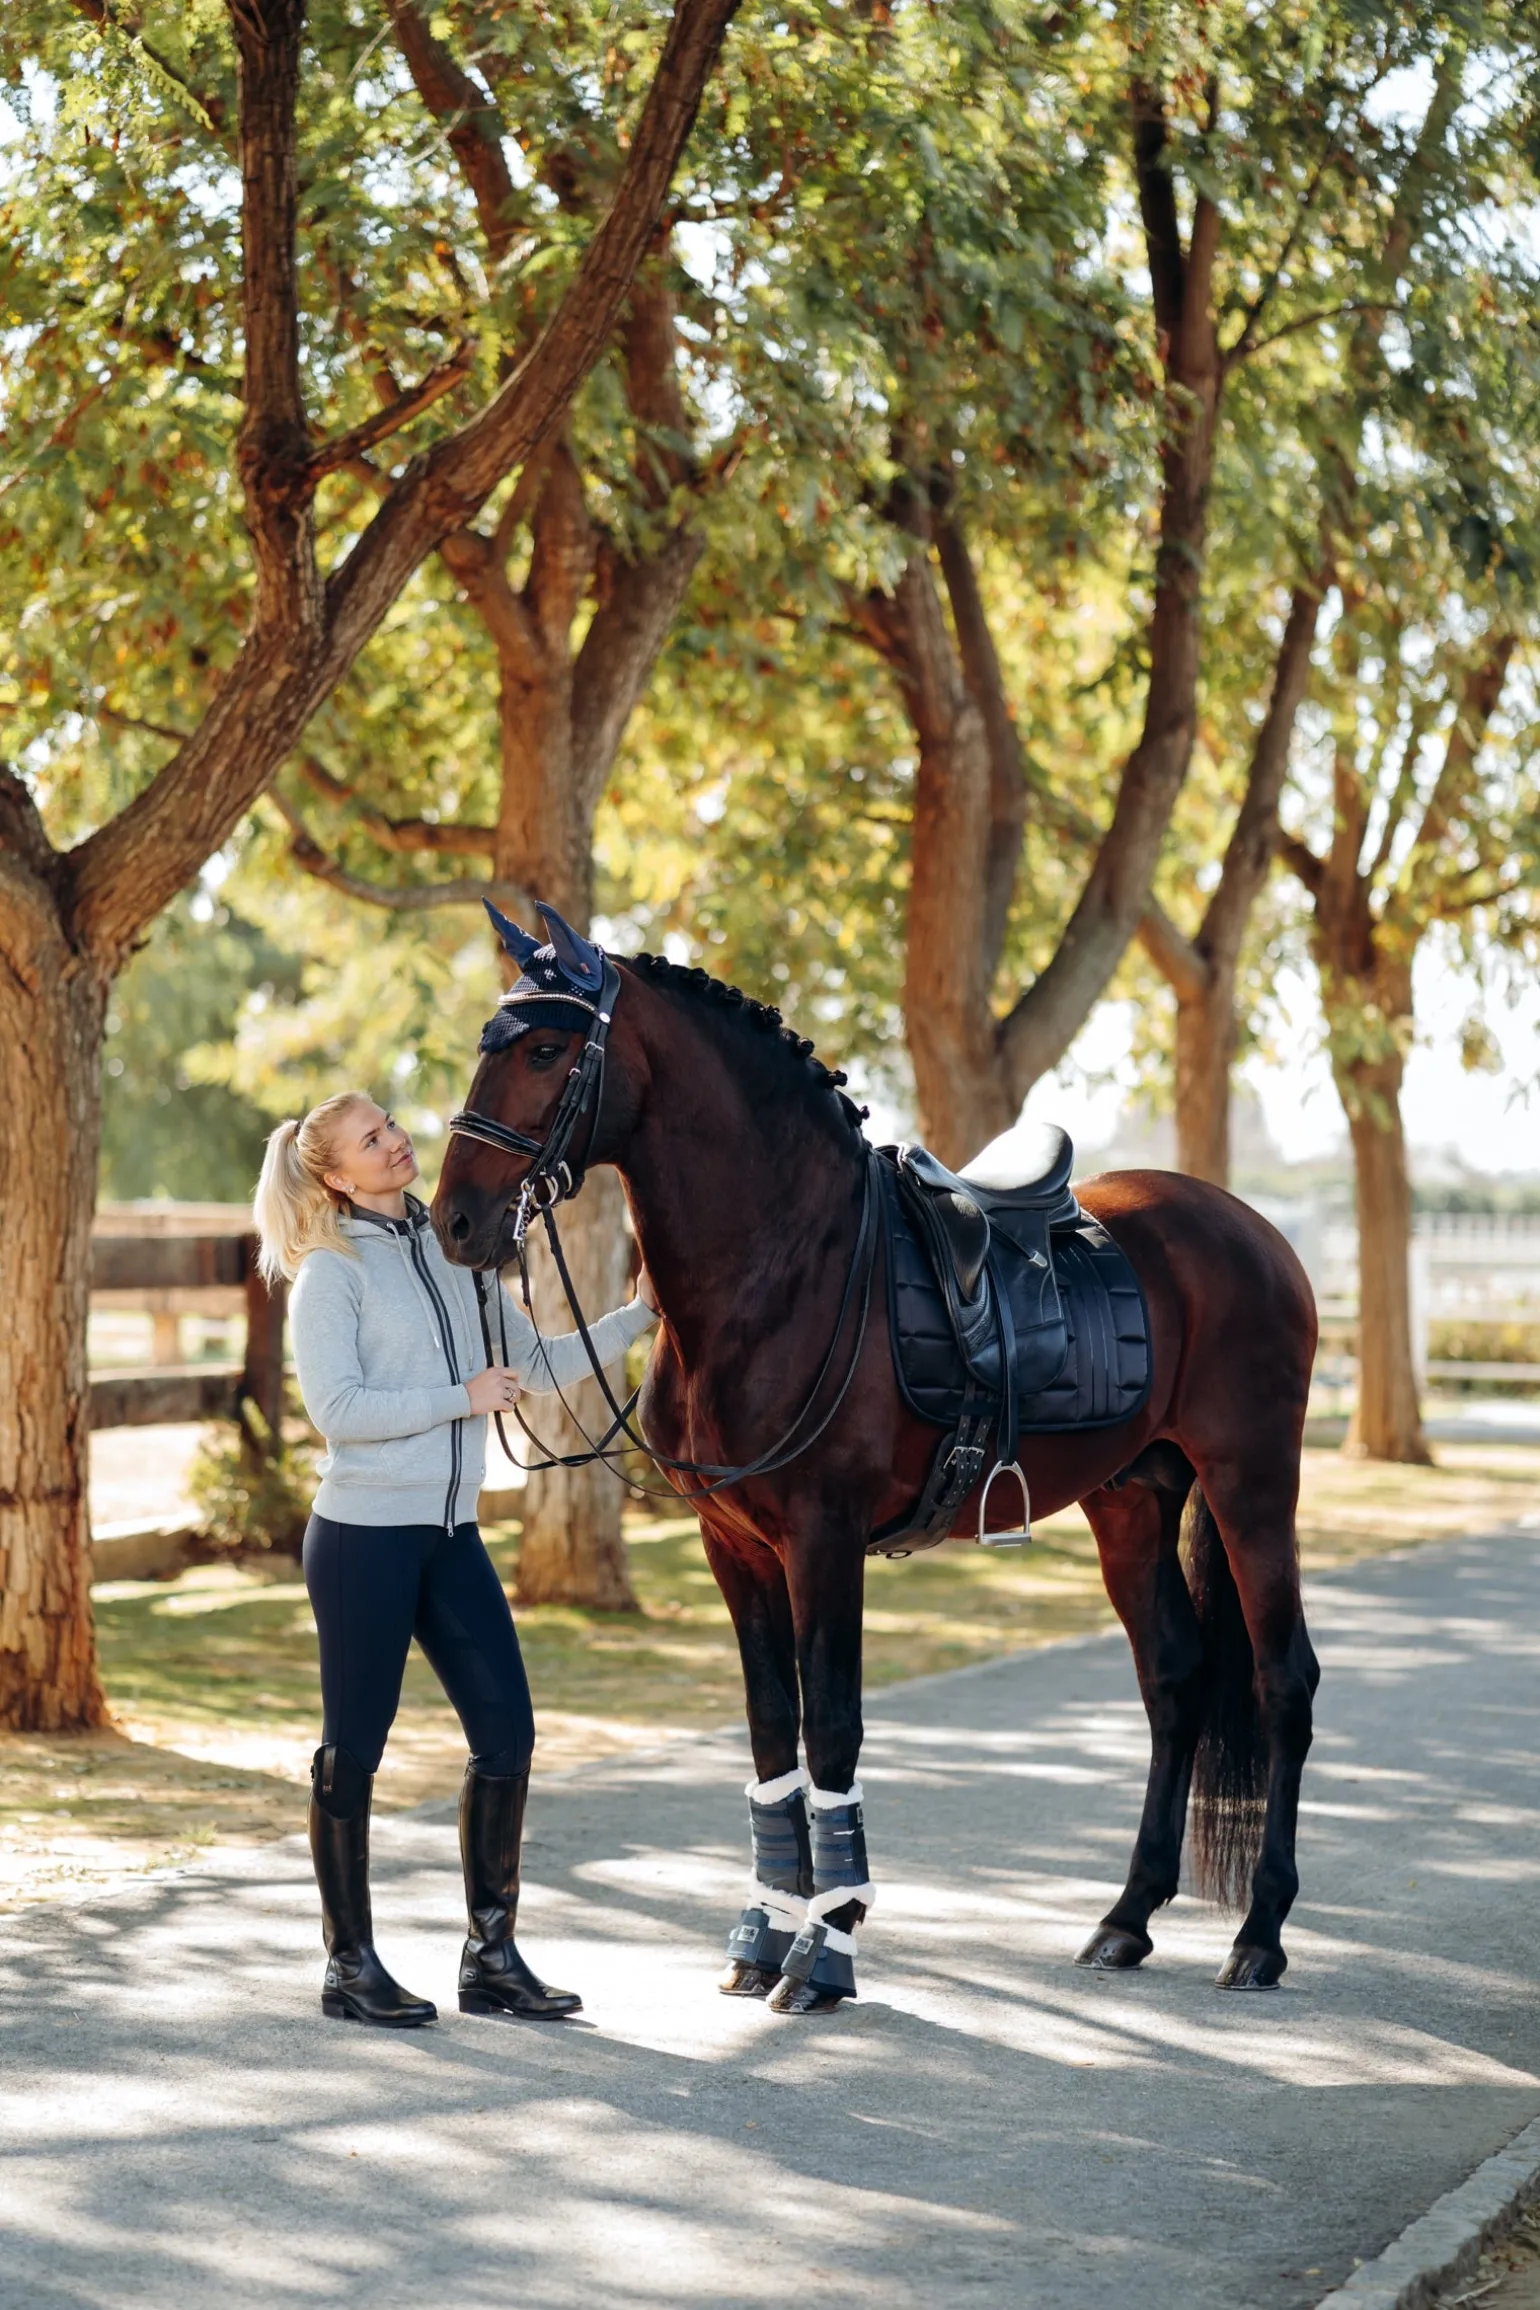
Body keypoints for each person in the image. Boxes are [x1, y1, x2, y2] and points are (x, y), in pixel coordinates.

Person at [253, 1089, 658, 2030]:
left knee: (507, 1734)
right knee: (354, 1749)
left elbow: (542, 1366)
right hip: (362, 1539)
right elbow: (339, 1414)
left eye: (391, 1126)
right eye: (371, 1139)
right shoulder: (331, 1273)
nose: (396, 1143)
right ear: (332, 1172)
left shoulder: (458, 1249)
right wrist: (459, 1397)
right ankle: (349, 1965)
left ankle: (491, 1958)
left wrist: (639, 1316)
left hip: (449, 1535)